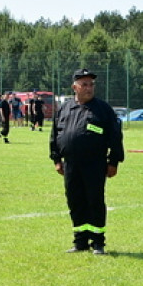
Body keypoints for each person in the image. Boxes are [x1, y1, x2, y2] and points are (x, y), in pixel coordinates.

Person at [49, 69, 124, 254]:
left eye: (91, 84)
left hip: (95, 164)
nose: (89, 88)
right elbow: (55, 135)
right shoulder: (65, 109)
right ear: (74, 87)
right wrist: (56, 159)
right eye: (84, 84)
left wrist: (113, 161)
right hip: (71, 165)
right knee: (75, 202)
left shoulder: (103, 109)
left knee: (94, 201)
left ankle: (98, 242)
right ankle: (80, 241)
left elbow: (115, 137)